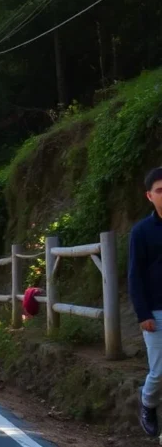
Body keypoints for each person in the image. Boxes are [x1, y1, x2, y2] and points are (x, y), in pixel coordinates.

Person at [130, 167, 162, 436]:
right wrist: (143, 313)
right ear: (149, 196)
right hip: (156, 312)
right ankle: (147, 402)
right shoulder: (141, 232)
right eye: (160, 191)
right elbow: (134, 276)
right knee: (159, 371)